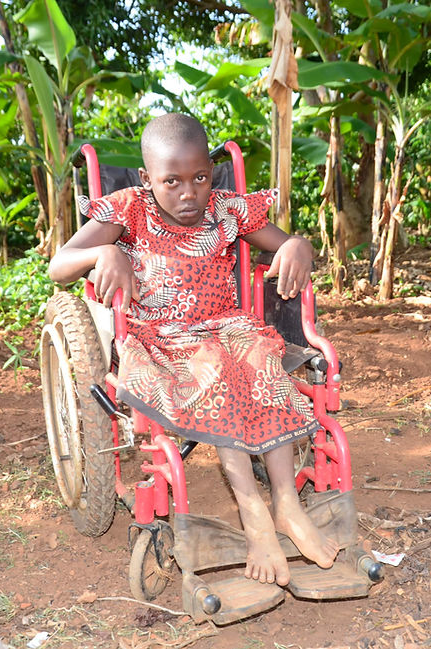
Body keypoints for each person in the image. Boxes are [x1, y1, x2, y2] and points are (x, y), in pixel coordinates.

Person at [48, 113, 338, 587]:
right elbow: (60, 265)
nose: (189, 193)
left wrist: (299, 246)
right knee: (217, 372)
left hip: (228, 328)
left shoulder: (225, 210)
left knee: (263, 361)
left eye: (200, 177)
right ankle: (253, 513)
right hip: (162, 339)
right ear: (146, 180)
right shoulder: (129, 210)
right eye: (172, 182)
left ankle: (285, 503)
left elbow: (285, 245)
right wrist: (106, 252)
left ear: (212, 172)